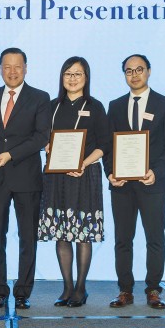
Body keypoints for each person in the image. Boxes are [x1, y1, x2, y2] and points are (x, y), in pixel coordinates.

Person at [103, 54, 165, 310]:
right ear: (124, 74)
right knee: (123, 240)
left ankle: (153, 290)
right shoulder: (114, 106)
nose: (134, 75)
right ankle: (125, 290)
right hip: (122, 185)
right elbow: (107, 145)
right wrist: (110, 172)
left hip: (153, 184)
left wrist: (156, 172)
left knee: (154, 239)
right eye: (128, 71)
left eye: (139, 69)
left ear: (148, 71)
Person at [0, 47, 51, 310]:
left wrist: (10, 154)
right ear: (0, 69)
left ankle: (23, 291)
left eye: (17, 66)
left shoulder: (40, 97)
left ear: (26, 68)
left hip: (27, 177)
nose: (12, 71)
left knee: (27, 237)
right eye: (7, 66)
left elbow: (41, 136)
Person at [38, 56, 111, 308]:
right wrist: (46, 144)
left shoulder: (96, 106)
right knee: (61, 233)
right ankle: (67, 286)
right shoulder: (51, 106)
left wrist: (84, 163)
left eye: (78, 74)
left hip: (85, 175)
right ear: (62, 77)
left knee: (82, 234)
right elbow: (41, 136)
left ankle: (81, 287)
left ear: (86, 78)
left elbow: (105, 144)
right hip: (56, 177)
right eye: (68, 73)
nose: (72, 78)